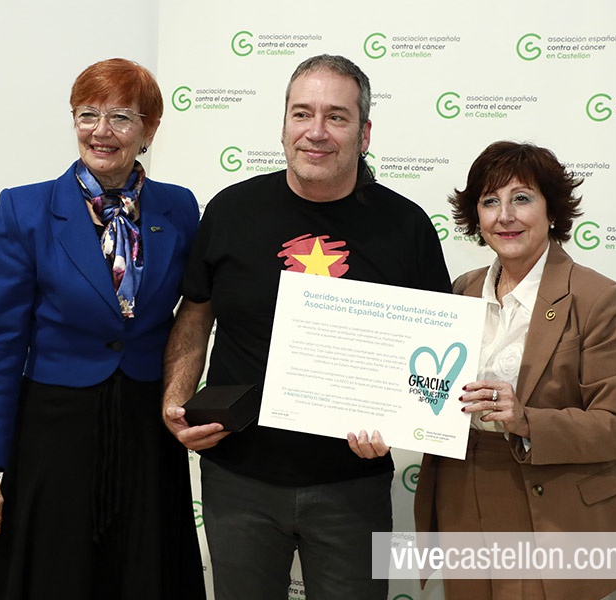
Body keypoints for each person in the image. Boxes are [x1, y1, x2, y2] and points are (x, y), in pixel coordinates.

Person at [161, 54, 451, 599]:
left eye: (336, 117)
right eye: (302, 114)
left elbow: (436, 353)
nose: (316, 132)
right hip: (238, 478)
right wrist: (174, 403)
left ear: (365, 134)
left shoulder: (406, 227)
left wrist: (403, 423)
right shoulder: (230, 211)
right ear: (284, 125)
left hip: (353, 485)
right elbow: (195, 314)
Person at [0, 58, 206, 600]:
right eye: (88, 114)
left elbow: (196, 311)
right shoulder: (24, 209)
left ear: (149, 129)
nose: (101, 131)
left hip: (146, 431)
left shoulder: (180, 207)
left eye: (121, 117)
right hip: (54, 431)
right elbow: (1, 346)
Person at [413, 141, 616, 599]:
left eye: (521, 198)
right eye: (490, 201)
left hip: (553, 506)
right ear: (476, 216)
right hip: (460, 493)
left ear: (552, 210)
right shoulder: (461, 291)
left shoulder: (598, 298)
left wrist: (526, 421)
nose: (505, 216)